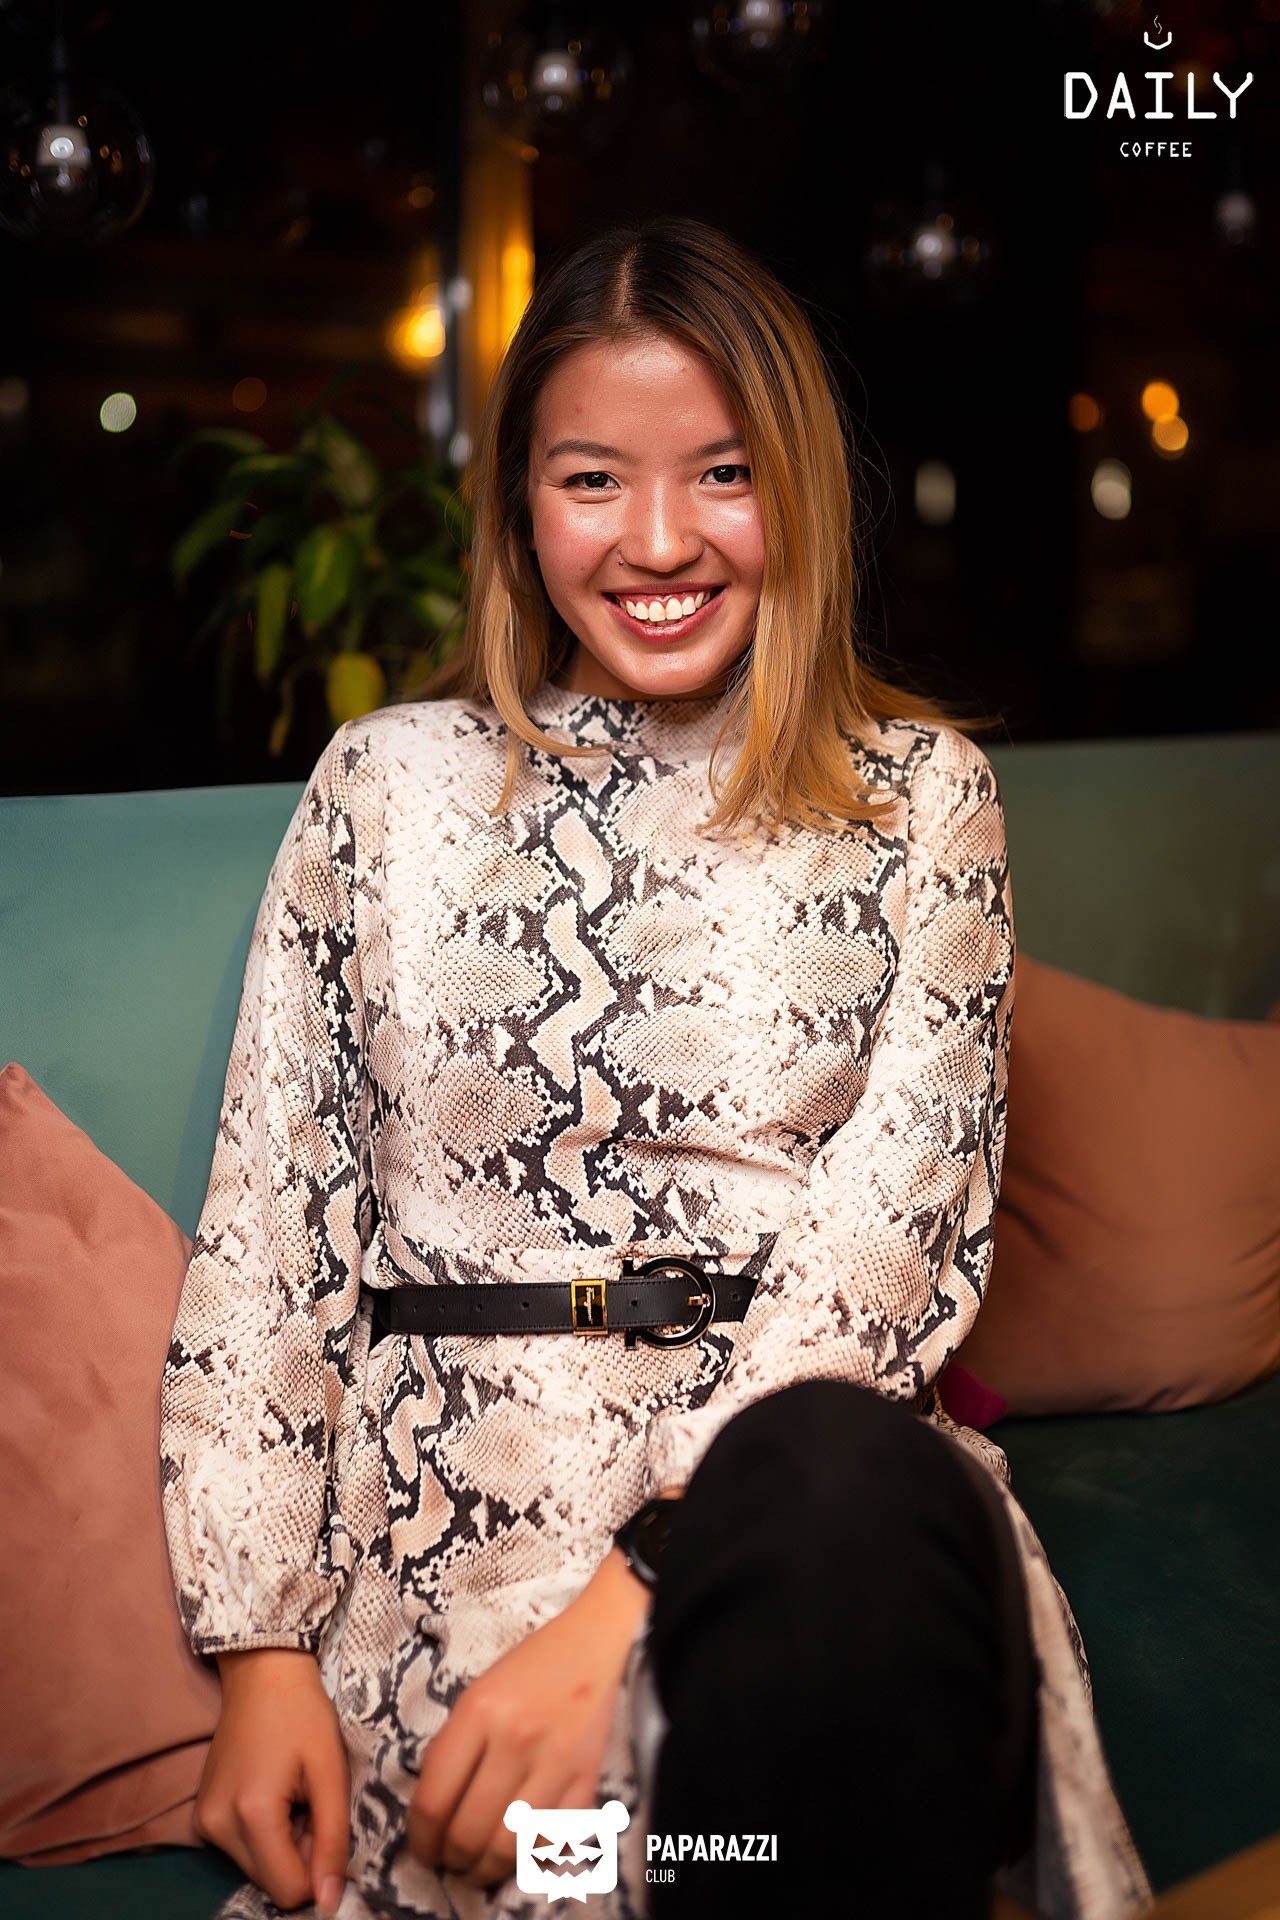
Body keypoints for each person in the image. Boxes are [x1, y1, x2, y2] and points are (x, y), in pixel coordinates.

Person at [159, 215, 1154, 1920]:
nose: (661, 540)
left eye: (724, 474)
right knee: (627, 1868)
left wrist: (647, 1578)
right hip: (454, 1545)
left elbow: (893, 1239)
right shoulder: (383, 788)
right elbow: (273, 1223)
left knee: (831, 1518)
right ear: (519, 506)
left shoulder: (922, 796)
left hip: (813, 1548)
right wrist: (259, 1654)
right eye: (593, 480)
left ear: (800, 493)